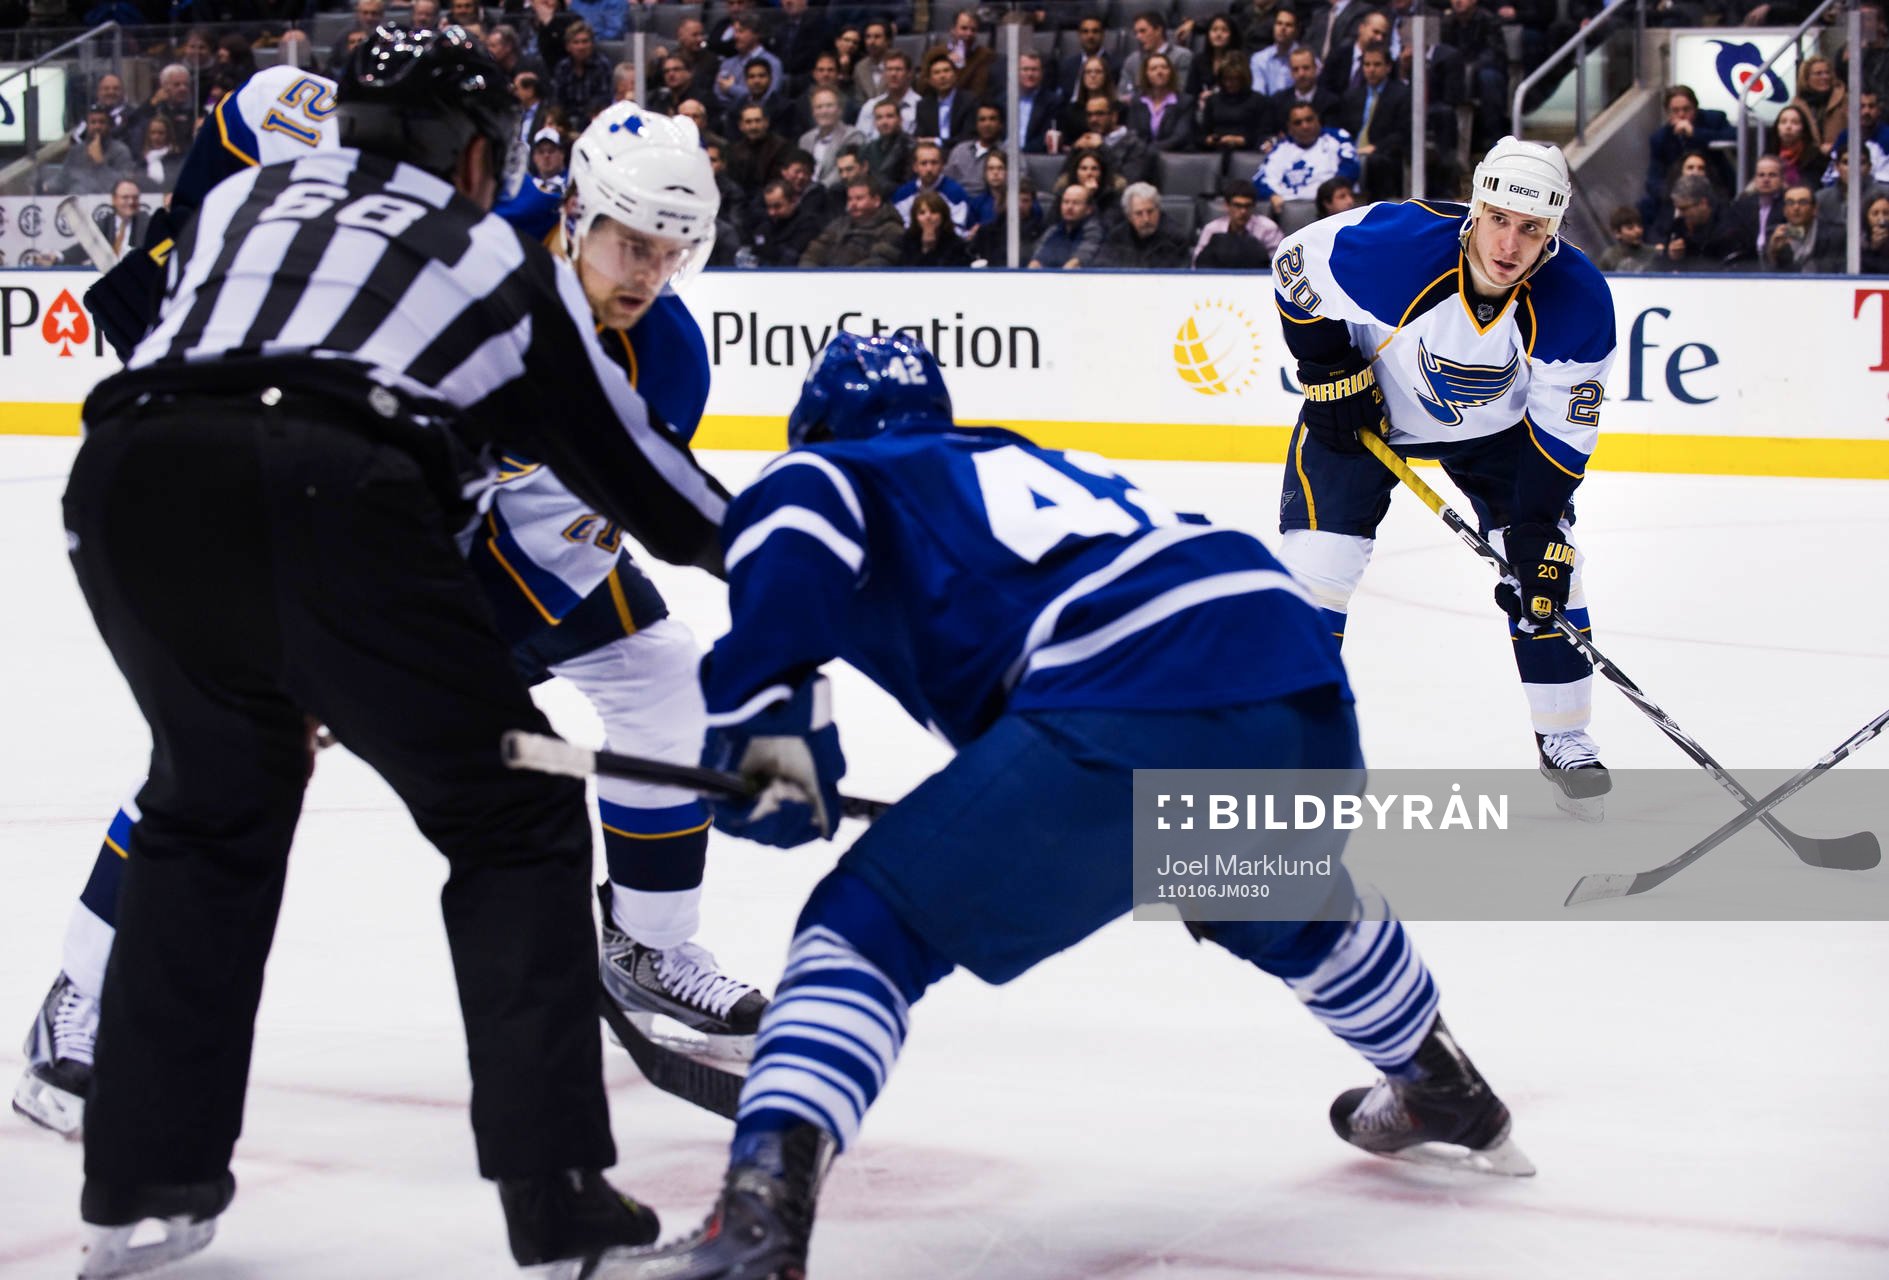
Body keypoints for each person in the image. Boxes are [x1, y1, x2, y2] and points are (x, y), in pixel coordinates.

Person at [576, 331, 1530, 1280]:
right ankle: (1441, 1083)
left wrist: (768, 729)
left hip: (1131, 701)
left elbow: (789, 546)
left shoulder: (830, 472)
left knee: (861, 928)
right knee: (1277, 904)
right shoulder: (1021, 458)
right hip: (1301, 695)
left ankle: (754, 1228)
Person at [53, 34, 733, 1277]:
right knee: (516, 819)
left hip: (128, 490)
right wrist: (788, 568)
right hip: (336, 499)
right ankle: (559, 1200)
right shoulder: (488, 254)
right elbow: (649, 488)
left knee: (210, 811)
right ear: (483, 157)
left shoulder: (249, 195)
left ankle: (139, 1187)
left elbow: (139, 317)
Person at [1267, 137, 1620, 814]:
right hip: (1363, 412)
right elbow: (1291, 267)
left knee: (1551, 570)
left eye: (1530, 229)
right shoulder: (1395, 248)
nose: (1508, 245)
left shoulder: (1575, 302)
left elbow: (1560, 432)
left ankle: (1564, 737)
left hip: (1496, 437)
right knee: (1316, 567)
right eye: (1497, 219)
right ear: (1475, 209)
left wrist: (1537, 526)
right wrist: (1327, 368)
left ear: (1551, 232)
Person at [1256, 103, 1359, 230]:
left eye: (1309, 119)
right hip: (1288, 208)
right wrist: (1270, 195)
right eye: (1298, 122)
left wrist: (1328, 194)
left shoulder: (1337, 138)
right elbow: (1259, 181)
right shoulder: (1280, 149)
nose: (1305, 126)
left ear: (1317, 119)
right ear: (1289, 127)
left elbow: (1351, 168)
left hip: (1327, 208)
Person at [800, 174, 905, 266]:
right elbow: (814, 252)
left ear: (876, 201)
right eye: (850, 199)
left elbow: (879, 262)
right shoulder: (839, 224)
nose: (853, 204)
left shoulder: (891, 229)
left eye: (859, 198)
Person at [1096, 181, 1190, 267]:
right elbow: (1102, 267)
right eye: (1139, 213)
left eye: (1150, 211)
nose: (1146, 219)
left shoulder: (1176, 238)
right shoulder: (1117, 237)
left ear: (1158, 210)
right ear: (1129, 216)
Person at [1193, 176, 1280, 268]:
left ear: (1254, 206)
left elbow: (1277, 264)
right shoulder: (1212, 229)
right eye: (1237, 206)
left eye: (1247, 206)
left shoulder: (1268, 229)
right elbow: (1196, 264)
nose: (1243, 211)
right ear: (1227, 205)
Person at [891, 140, 972, 230]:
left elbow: (959, 230)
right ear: (915, 167)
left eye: (934, 163)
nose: (929, 168)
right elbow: (899, 227)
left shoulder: (955, 193)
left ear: (942, 166)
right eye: (924, 163)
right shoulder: (903, 194)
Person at [1766, 183, 1845, 272]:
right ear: (1784, 210)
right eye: (1790, 203)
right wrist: (1773, 252)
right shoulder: (1775, 235)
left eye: (1803, 202)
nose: (1796, 207)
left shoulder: (1836, 235)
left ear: (1815, 209)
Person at [58, 105, 134, 196]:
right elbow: (62, 179)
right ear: (88, 126)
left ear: (109, 126)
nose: (97, 126)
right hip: (77, 200)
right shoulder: (76, 151)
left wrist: (100, 164)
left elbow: (125, 186)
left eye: (102, 122)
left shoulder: (121, 151)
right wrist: (45, 186)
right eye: (93, 122)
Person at [1028, 182, 1102, 268]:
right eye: (1066, 202)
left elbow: (1079, 260)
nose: (1069, 207)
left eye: (1076, 203)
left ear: (1088, 209)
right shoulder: (1054, 230)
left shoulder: (1093, 230)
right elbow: (1038, 259)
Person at [896, 188, 972, 265]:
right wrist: (925, 248)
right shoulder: (907, 240)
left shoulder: (956, 243)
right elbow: (906, 271)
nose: (928, 217)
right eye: (922, 213)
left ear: (943, 216)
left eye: (933, 211)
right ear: (915, 218)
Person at [1594, 204, 1656, 272]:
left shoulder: (1653, 254)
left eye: (1639, 226)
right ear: (1617, 233)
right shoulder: (1609, 257)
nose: (1638, 231)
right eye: (1630, 228)